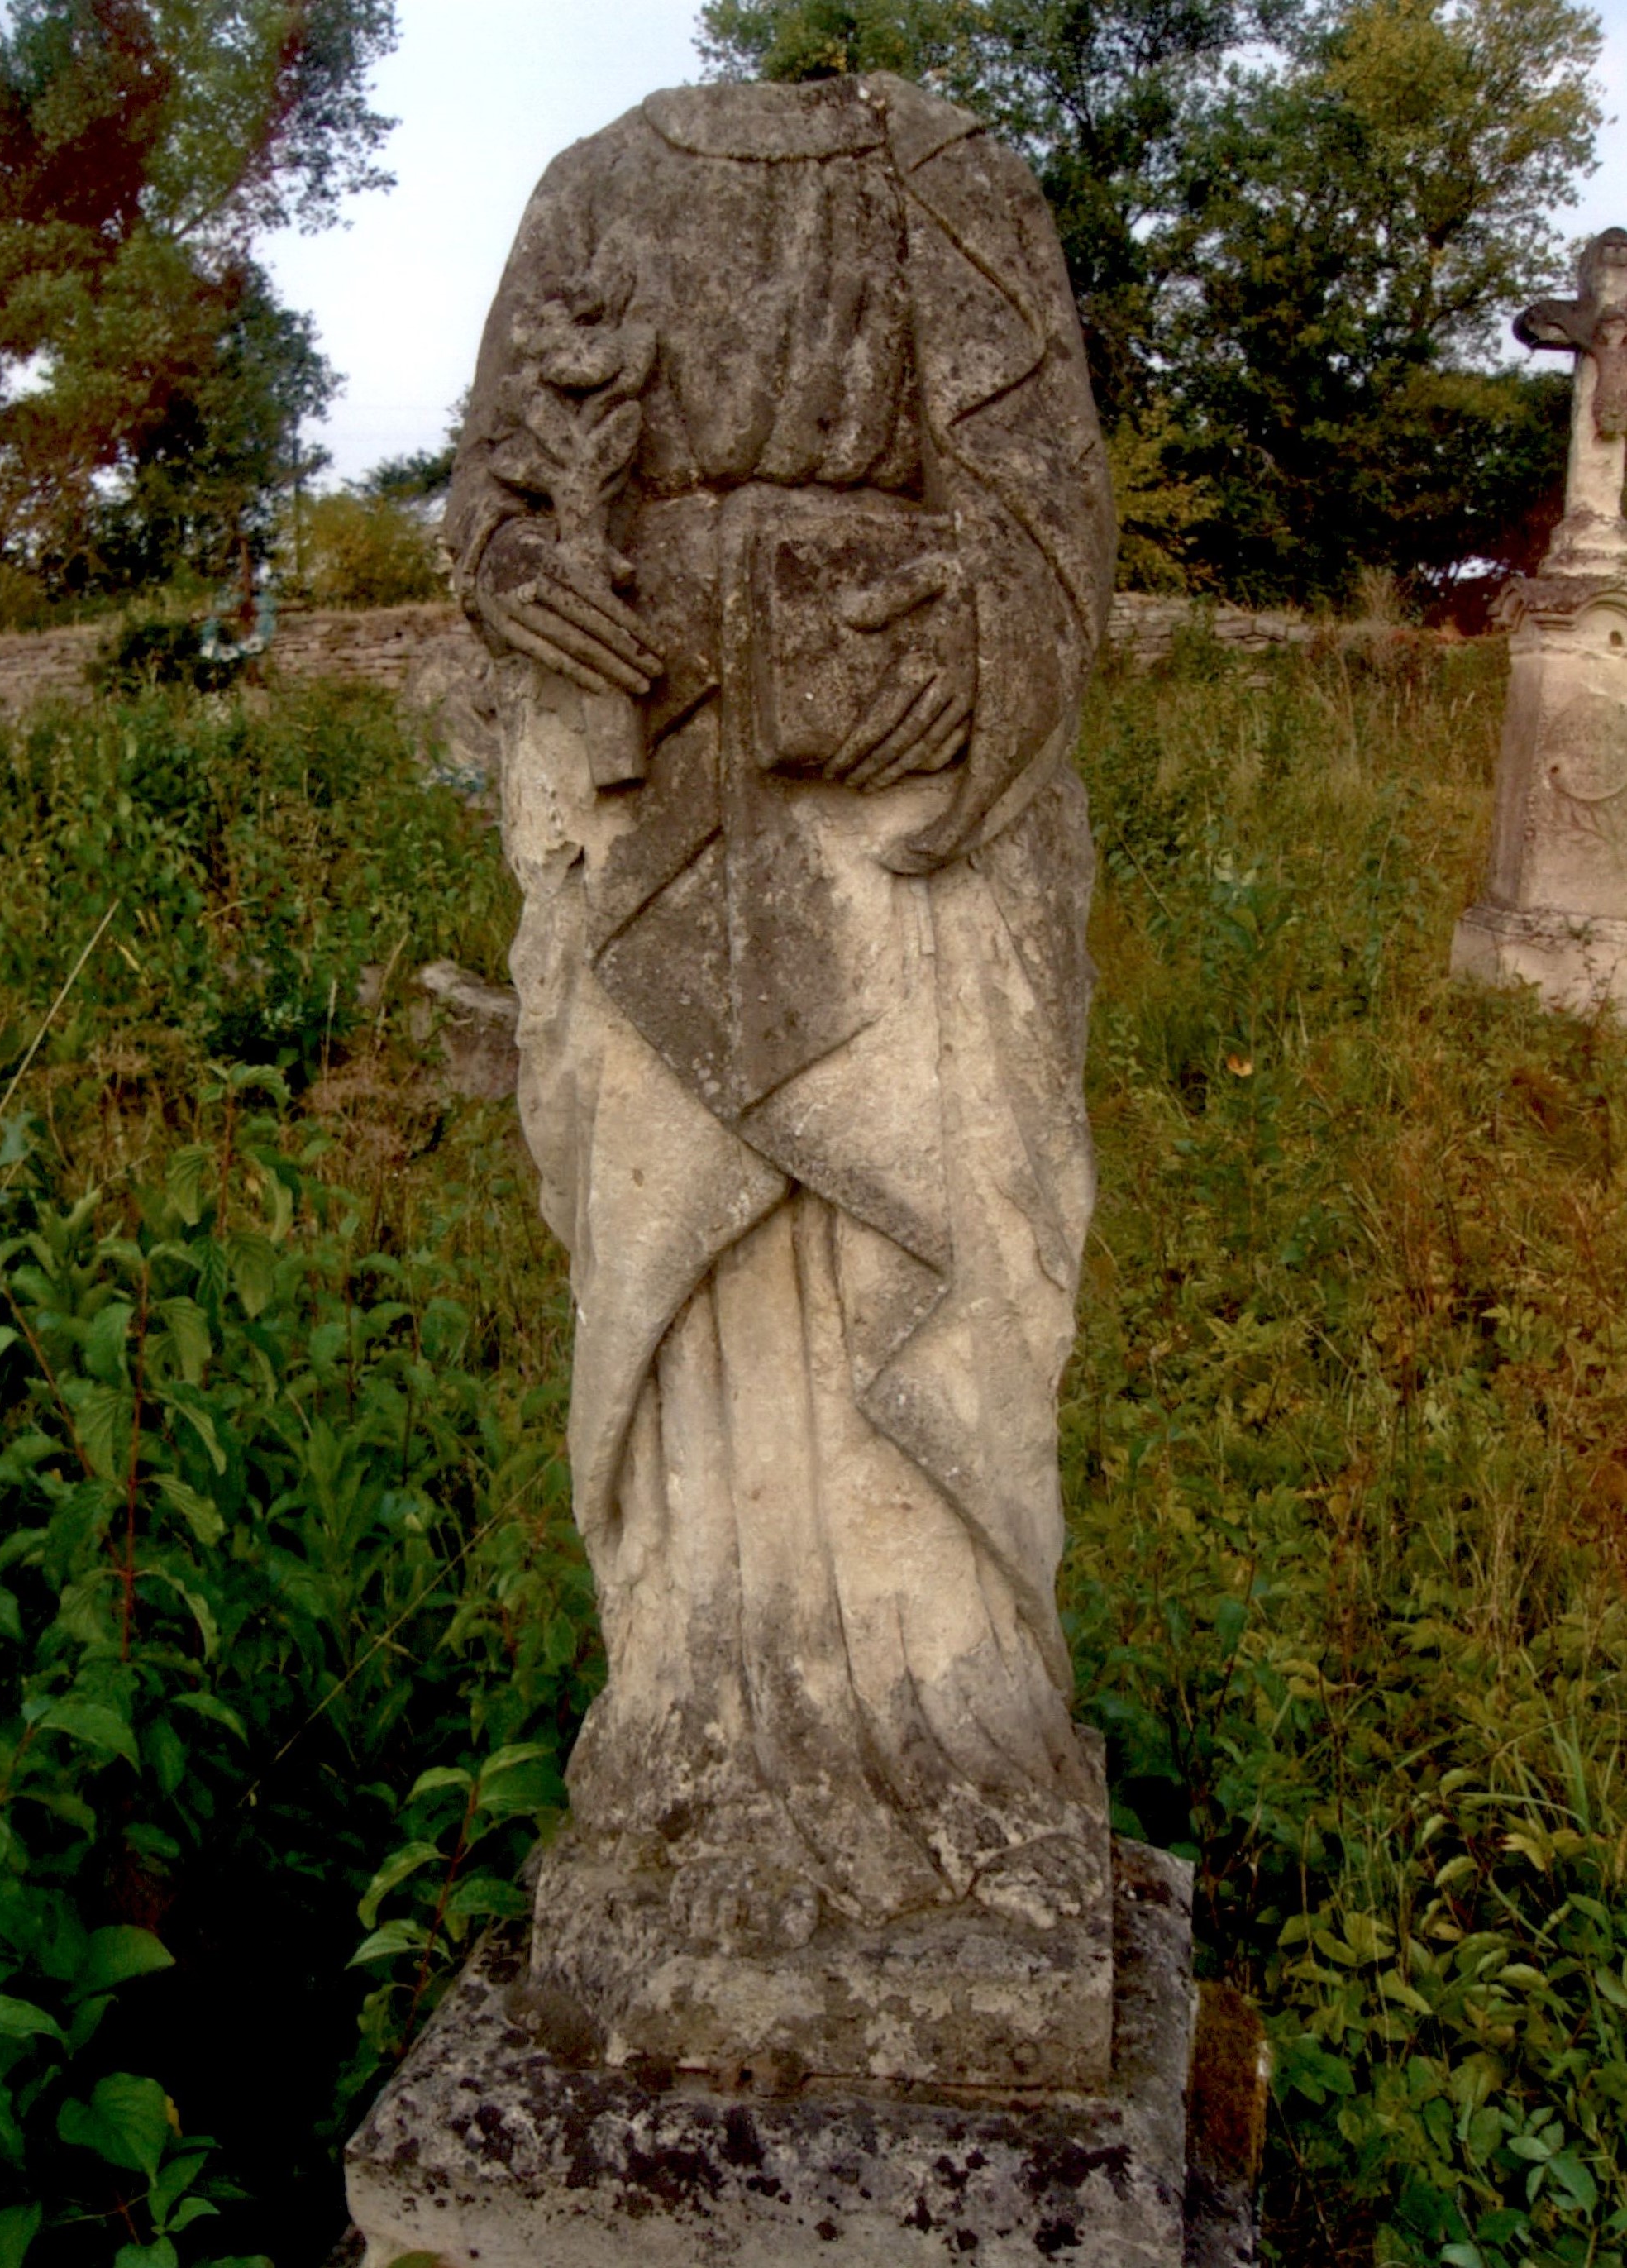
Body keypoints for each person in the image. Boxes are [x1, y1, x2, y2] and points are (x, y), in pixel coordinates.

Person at [446, 69, 1115, 1977]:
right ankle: (695, 1730)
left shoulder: (951, 174)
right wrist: (529, 577)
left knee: (940, 1232)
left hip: (891, 851)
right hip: (662, 794)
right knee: (682, 1273)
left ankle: (950, 1716)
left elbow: (1053, 522)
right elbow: (490, 495)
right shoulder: (592, 183)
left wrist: (978, 640)